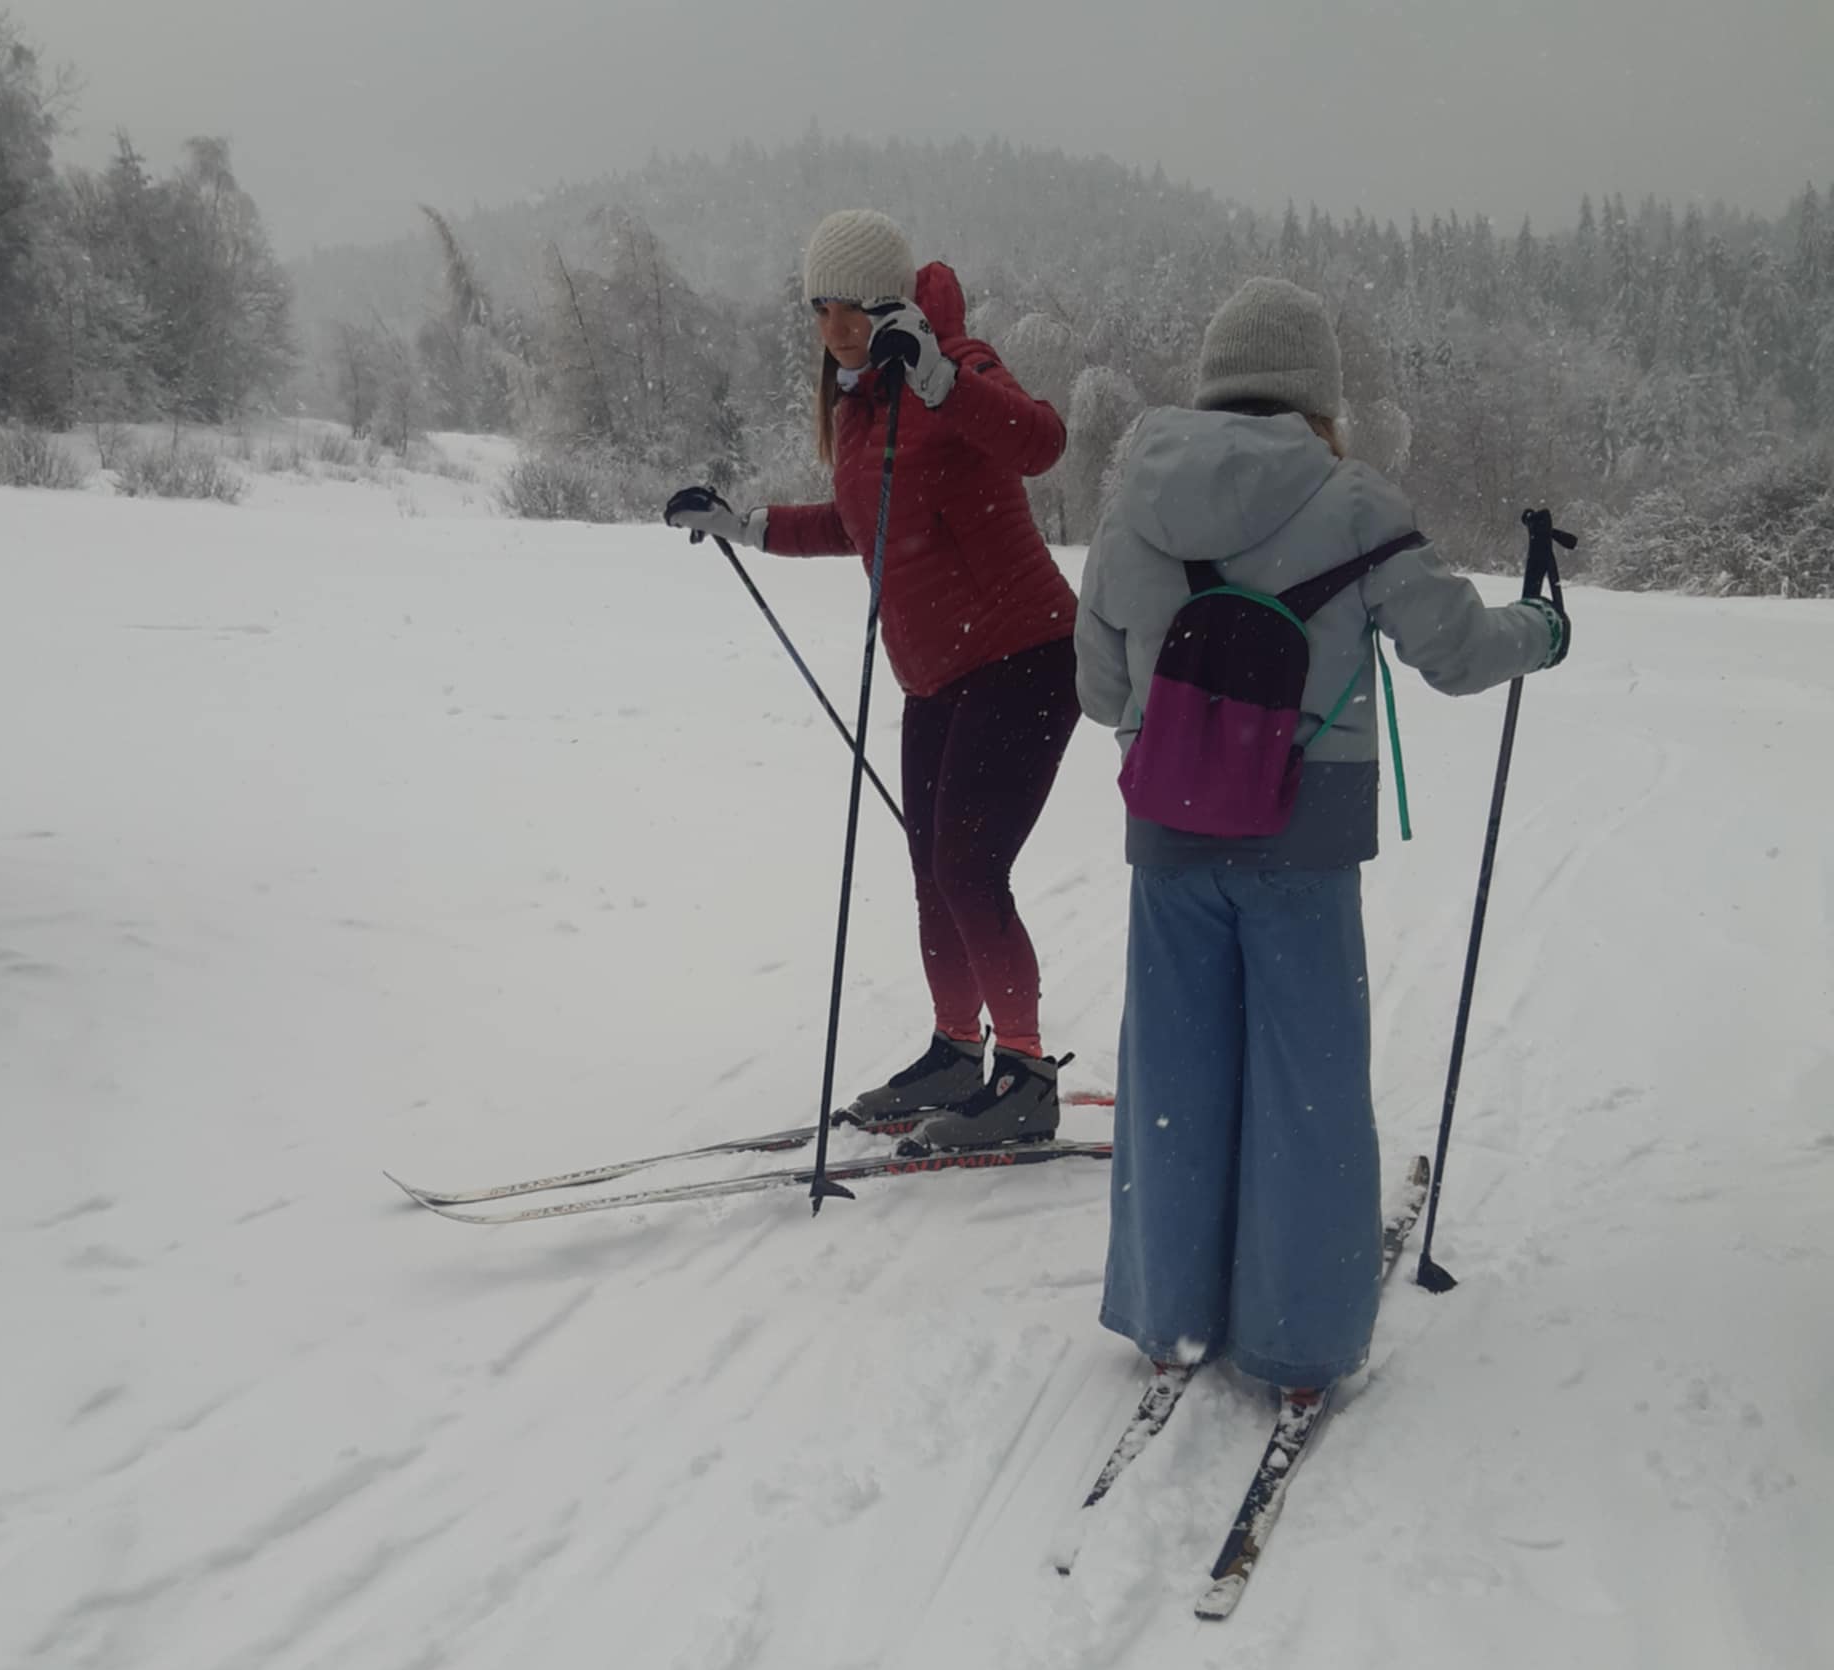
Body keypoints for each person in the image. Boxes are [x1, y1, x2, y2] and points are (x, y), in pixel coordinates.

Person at [1076, 277, 1570, 1396]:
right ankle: (1296, 1341)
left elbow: (1102, 686)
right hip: (1301, 837)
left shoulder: (1128, 506)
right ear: (1317, 392)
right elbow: (1450, 651)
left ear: (1212, 379)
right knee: (1305, 1082)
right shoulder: (1352, 499)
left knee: (1171, 1071)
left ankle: (1165, 1313)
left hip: (1165, 837)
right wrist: (1539, 629)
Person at [666, 209, 1079, 1150]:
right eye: (820, 308)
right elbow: (864, 524)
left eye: (853, 306)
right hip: (934, 676)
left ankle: (1022, 1074)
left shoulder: (959, 365)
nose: (836, 326)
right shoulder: (858, 404)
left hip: (1024, 660)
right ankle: (950, 1051)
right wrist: (750, 526)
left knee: (971, 868)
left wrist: (936, 377)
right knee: (934, 873)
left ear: (893, 300)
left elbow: (1041, 443)